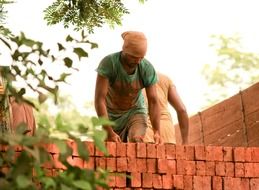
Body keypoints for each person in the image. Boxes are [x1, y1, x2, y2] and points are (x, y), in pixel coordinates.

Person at [94, 31, 161, 143]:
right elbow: (99, 100)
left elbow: (153, 101)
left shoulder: (146, 68)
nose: (138, 61)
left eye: (141, 57)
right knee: (111, 151)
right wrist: (109, 131)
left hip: (135, 112)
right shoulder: (109, 64)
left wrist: (157, 131)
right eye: (134, 57)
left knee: (136, 139)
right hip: (111, 116)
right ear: (125, 51)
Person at [143, 72, 189, 144]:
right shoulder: (165, 79)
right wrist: (185, 142)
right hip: (167, 133)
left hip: (145, 132)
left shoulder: (134, 78)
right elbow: (182, 110)